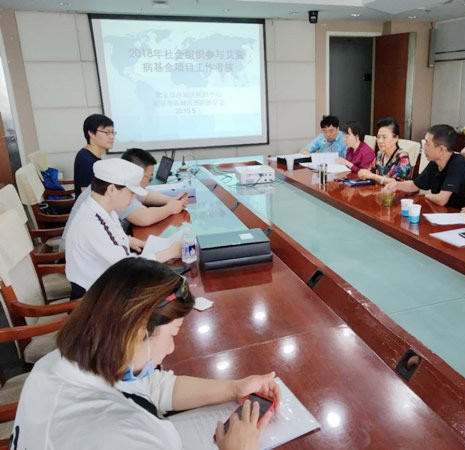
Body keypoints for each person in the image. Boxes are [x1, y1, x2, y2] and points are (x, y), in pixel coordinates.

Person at [10, 257, 281, 450]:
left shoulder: (61, 362)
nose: (171, 348)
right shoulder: (119, 435)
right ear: (138, 332)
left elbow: (152, 387)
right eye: (172, 334)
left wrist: (234, 388)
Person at [65, 158, 181, 298]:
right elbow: (128, 267)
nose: (133, 199)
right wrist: (170, 252)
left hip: (106, 281)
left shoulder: (102, 208)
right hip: (94, 297)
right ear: (111, 189)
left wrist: (129, 240)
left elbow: (112, 236)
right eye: (131, 193)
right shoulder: (92, 222)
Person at [383, 124, 465, 209]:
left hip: (460, 214)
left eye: (427, 143)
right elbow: (415, 185)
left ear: (441, 149)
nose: (424, 147)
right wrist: (396, 185)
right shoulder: (434, 163)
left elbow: (441, 200)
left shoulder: (458, 163)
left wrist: (425, 196)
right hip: (440, 211)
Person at [118, 148, 188, 231]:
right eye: (149, 178)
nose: (149, 182)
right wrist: (170, 208)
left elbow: (146, 195)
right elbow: (144, 218)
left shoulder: (128, 184)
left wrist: (171, 200)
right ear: (137, 175)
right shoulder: (119, 190)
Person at [357, 117, 411, 185]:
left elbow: (398, 183)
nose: (380, 141)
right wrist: (364, 173)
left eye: (384, 137)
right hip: (379, 190)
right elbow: (370, 172)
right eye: (378, 137)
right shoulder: (379, 154)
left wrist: (372, 176)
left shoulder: (402, 156)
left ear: (396, 138)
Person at [74, 114, 114, 197]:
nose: (112, 137)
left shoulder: (93, 156)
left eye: (113, 132)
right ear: (91, 133)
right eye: (107, 132)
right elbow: (88, 197)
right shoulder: (85, 160)